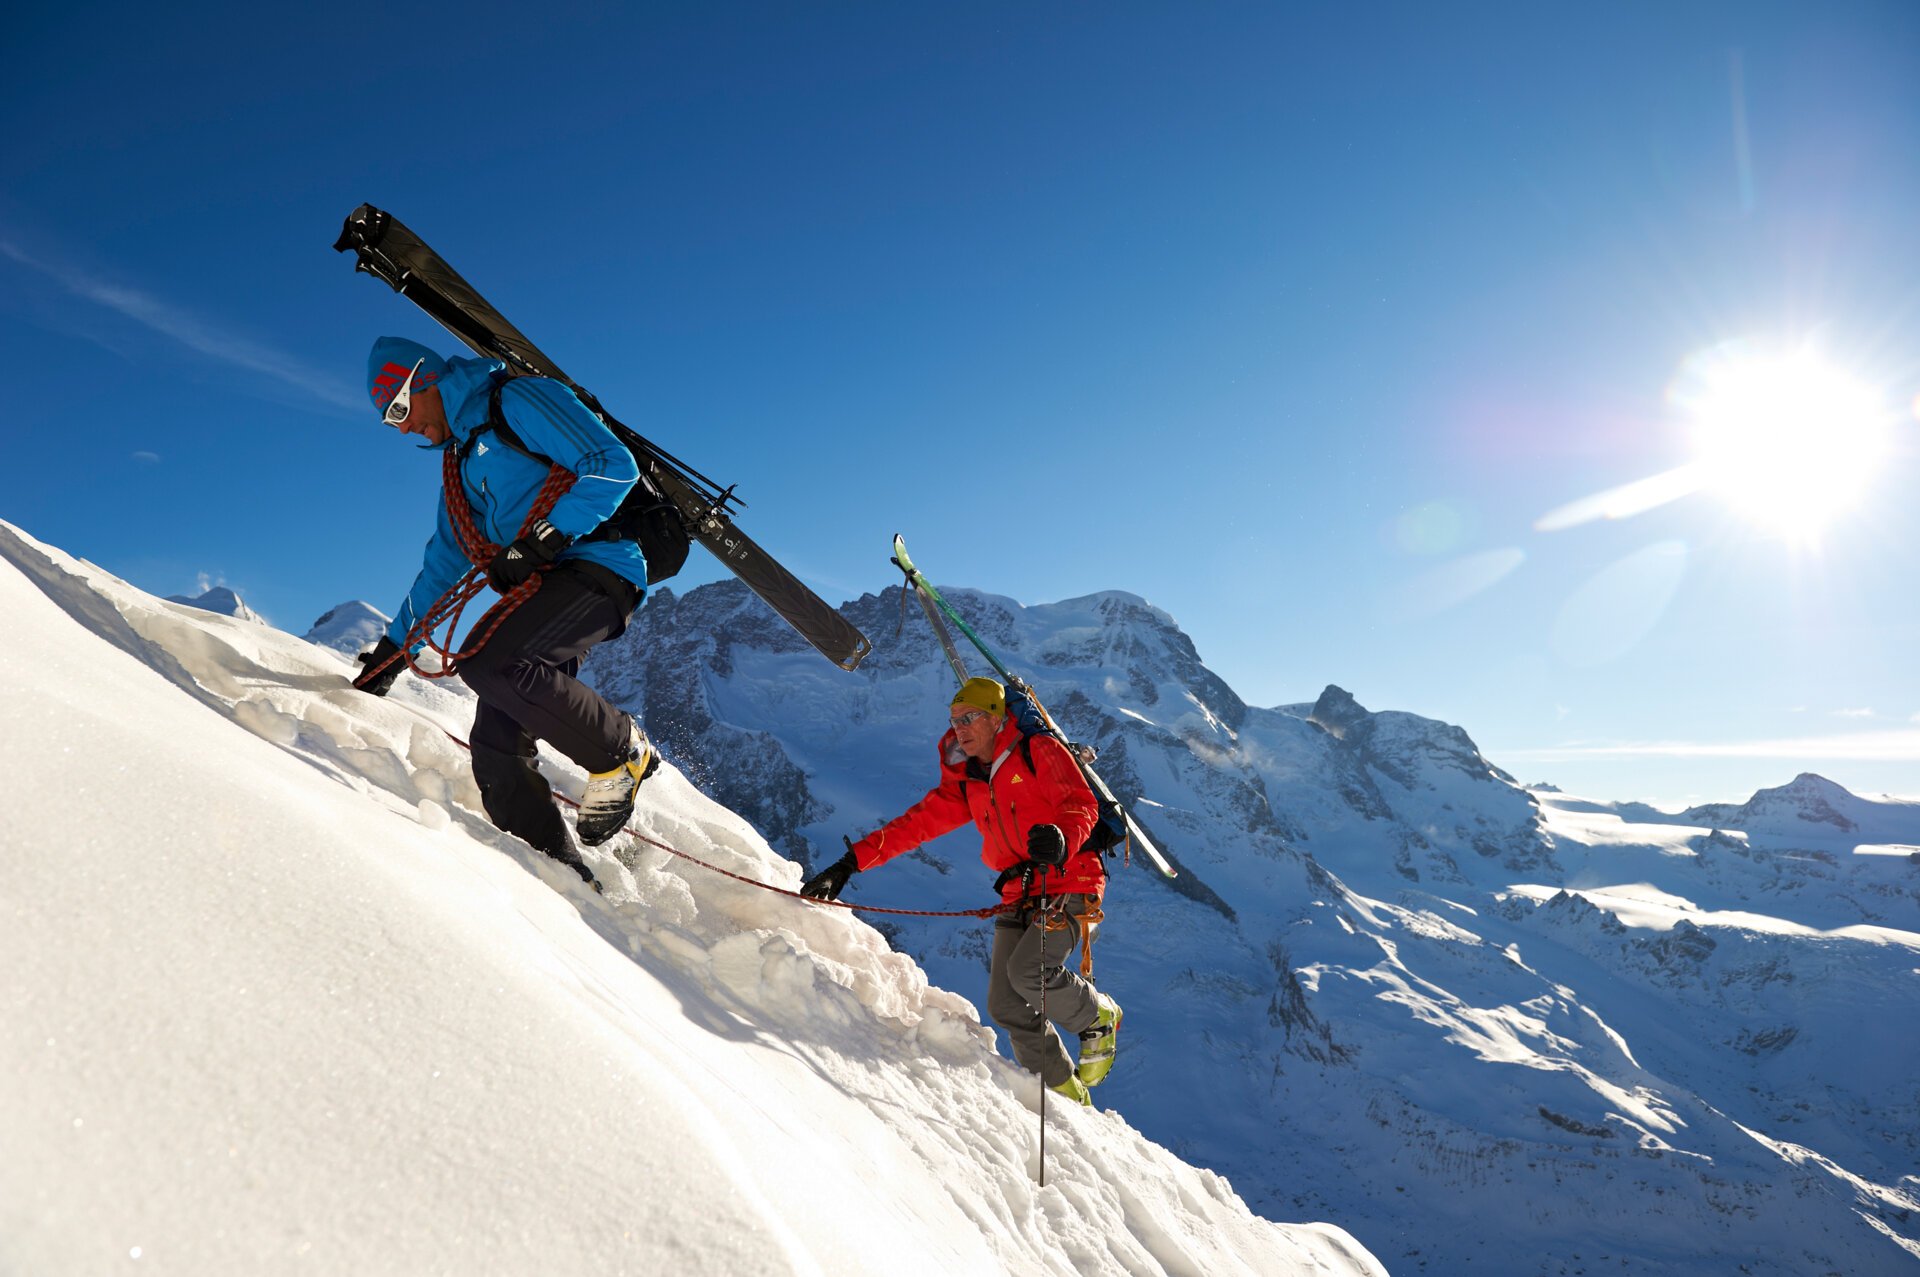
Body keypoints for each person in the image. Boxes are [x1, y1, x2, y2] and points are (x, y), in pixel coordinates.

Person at [349, 336, 658, 888]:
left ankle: (620, 750)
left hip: (598, 568)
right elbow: (443, 564)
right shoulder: (459, 462)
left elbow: (612, 464)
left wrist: (545, 536)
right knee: (496, 751)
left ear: (425, 381)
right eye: (388, 420)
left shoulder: (518, 401)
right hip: (543, 588)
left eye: (399, 409)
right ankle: (562, 879)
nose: (399, 428)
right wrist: (394, 651)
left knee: (496, 665)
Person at [801, 677, 1123, 1104]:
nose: (960, 729)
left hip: (1070, 881)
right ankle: (1062, 1093)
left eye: (970, 718)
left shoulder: (1039, 750)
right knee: (1005, 1004)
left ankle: (1097, 1017)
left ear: (996, 718)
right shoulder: (969, 779)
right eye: (954, 721)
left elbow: (1081, 804)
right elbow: (917, 824)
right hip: (1019, 890)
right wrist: (851, 862)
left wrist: (1062, 839)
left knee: (1030, 972)